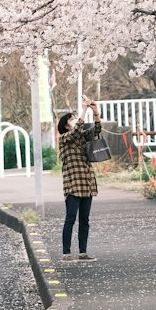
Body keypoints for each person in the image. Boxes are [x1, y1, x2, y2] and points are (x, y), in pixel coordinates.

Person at [57, 99, 103, 261]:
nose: (75, 119)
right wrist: (83, 111)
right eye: (72, 118)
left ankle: (83, 252)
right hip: (73, 183)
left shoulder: (81, 136)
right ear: (66, 125)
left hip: (87, 181)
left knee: (85, 220)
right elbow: (76, 131)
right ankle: (66, 252)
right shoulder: (64, 139)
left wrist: (95, 111)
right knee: (70, 218)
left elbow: (97, 130)